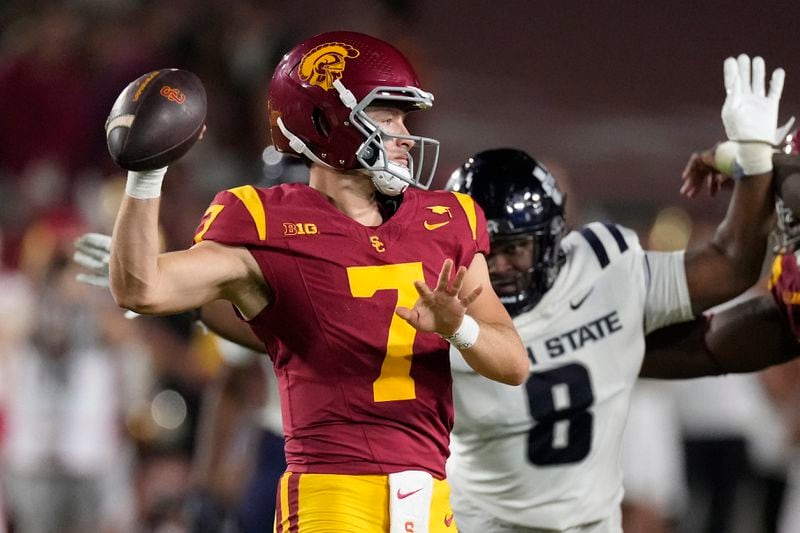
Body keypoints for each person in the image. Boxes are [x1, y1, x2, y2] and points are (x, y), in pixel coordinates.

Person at [106, 30, 528, 533]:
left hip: (432, 497)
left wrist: (461, 329)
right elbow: (141, 288)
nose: (405, 135)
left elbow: (515, 364)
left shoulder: (448, 219)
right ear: (328, 120)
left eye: (404, 118)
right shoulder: (265, 222)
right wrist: (146, 175)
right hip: (332, 496)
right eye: (387, 115)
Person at [441, 53, 789, 532]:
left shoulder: (603, 266)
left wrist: (752, 157)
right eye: (484, 249)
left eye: (513, 248)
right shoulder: (439, 312)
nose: (497, 264)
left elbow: (728, 267)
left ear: (549, 240)